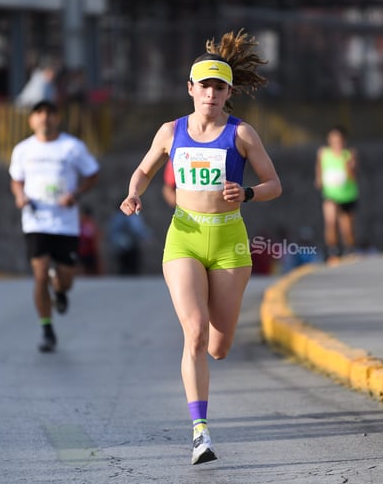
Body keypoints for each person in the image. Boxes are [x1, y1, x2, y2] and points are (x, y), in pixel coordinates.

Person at [119, 30, 281, 465]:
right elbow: (144, 170)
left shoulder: (242, 133)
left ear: (229, 93)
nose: (211, 93)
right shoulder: (171, 131)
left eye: (219, 87)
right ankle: (200, 432)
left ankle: (210, 364)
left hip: (229, 240)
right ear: (190, 89)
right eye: (203, 85)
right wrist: (135, 193)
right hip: (185, 236)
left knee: (218, 346)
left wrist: (247, 194)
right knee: (194, 330)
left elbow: (274, 184)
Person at [9, 99, 100, 353]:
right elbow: (16, 181)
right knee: (38, 274)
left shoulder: (72, 147)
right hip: (36, 220)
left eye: (49, 114)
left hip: (65, 222)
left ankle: (60, 290)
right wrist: (20, 195)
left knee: (66, 279)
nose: (44, 119)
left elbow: (92, 173)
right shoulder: (23, 150)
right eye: (39, 114)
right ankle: (47, 329)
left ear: (57, 118)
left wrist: (76, 194)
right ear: (31, 120)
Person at [314, 125, 359, 261]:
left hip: (347, 194)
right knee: (330, 221)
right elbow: (319, 167)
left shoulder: (349, 154)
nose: (336, 142)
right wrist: (319, 178)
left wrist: (349, 166)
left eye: (338, 139)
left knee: (347, 227)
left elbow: (353, 176)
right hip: (330, 194)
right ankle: (332, 250)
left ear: (343, 140)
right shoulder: (323, 153)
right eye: (333, 139)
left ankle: (349, 248)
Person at [106, 207, 150, 275]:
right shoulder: (125, 217)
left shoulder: (118, 217)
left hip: (126, 246)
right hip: (127, 247)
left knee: (127, 266)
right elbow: (137, 228)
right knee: (129, 266)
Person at [78, 205, 102, 275]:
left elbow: (96, 236)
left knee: (91, 268)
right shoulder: (80, 224)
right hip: (81, 250)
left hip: (90, 250)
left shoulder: (91, 224)